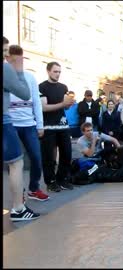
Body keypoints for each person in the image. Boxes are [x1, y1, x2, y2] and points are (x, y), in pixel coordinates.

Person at [3, 36, 40, 221]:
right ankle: (18, 208)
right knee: (16, 163)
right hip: (5, 121)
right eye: (3, 52)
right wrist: (18, 71)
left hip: (23, 123)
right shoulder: (5, 69)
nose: (6, 56)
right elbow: (25, 94)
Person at [7, 44, 49, 202]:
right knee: (15, 162)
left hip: (29, 125)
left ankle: (34, 188)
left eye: (20, 60)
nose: (18, 64)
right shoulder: (6, 76)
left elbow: (37, 103)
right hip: (11, 125)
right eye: (14, 60)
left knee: (37, 158)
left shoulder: (30, 77)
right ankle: (19, 194)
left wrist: (40, 124)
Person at [39, 61, 75, 192]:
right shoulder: (41, 87)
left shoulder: (63, 87)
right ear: (48, 71)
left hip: (63, 125)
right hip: (48, 126)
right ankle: (51, 182)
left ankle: (62, 179)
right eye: (55, 71)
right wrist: (62, 104)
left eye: (59, 72)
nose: (58, 74)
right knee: (48, 156)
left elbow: (65, 105)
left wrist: (69, 103)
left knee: (67, 153)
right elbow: (44, 107)